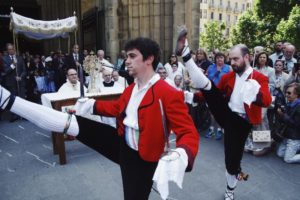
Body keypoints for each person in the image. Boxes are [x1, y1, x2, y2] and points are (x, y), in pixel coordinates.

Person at [0, 37, 199, 200]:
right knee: (74, 125)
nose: (126, 60)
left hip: (143, 158)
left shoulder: (168, 92)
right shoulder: (131, 88)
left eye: (132, 56)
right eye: (125, 56)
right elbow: (117, 108)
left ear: (149, 59)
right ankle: (10, 102)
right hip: (121, 143)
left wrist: (182, 153)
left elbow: (188, 131)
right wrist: (92, 105)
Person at [175, 29, 272, 200]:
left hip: (242, 123)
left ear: (247, 58)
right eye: (231, 59)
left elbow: (267, 100)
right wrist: (189, 96)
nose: (232, 62)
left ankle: (232, 183)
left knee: (231, 160)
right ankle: (186, 54)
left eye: (236, 59)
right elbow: (213, 93)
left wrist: (255, 93)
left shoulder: (259, 78)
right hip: (226, 113)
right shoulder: (229, 76)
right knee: (207, 85)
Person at [276, 83, 300, 163]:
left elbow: (295, 124)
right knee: (280, 154)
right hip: (286, 135)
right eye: (286, 92)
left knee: (287, 159)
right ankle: (295, 149)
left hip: (294, 137)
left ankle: (296, 147)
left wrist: (283, 115)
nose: (286, 95)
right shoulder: (289, 103)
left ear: (296, 94)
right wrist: (281, 114)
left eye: (289, 93)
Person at [2, 43, 26, 122]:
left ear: (14, 49)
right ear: (7, 50)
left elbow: (24, 70)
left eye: (12, 49)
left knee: (22, 98)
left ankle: (24, 114)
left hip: (20, 82)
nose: (11, 50)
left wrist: (21, 77)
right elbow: (6, 71)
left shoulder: (19, 58)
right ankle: (14, 115)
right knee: (13, 100)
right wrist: (13, 65)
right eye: (9, 49)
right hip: (11, 83)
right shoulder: (4, 59)